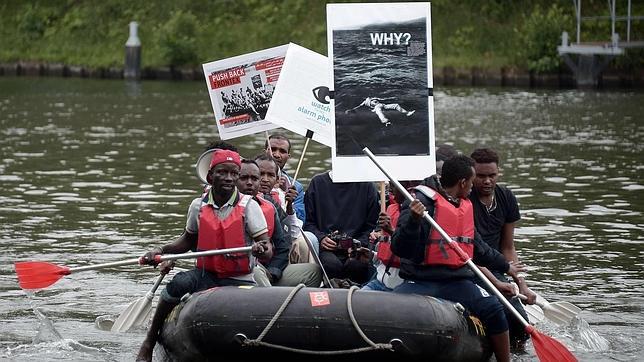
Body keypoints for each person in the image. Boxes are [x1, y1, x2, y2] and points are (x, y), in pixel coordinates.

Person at [135, 149, 272, 362]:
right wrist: (160, 251)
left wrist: (261, 247)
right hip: (205, 274)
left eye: (233, 173)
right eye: (222, 172)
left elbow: (267, 246)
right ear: (211, 176)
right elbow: (187, 241)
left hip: (239, 278)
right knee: (179, 283)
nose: (228, 178)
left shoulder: (249, 207)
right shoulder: (198, 206)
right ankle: (150, 340)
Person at [391, 155, 526, 362]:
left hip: (456, 281)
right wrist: (414, 221)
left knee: (493, 308)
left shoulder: (462, 205)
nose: (473, 188)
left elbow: (478, 247)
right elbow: (400, 247)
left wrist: (506, 267)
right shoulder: (419, 202)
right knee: (392, 310)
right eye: (472, 182)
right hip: (420, 280)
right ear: (463, 182)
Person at [470, 147, 537, 347]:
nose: (487, 181)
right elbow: (471, 255)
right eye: (481, 176)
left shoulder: (506, 197)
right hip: (474, 267)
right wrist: (497, 285)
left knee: (520, 324)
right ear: (471, 175)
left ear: (499, 172)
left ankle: (518, 350)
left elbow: (508, 247)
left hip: (498, 266)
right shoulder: (466, 202)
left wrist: (522, 284)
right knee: (508, 311)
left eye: (492, 175)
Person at [237, 158, 321, 287]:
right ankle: (270, 302)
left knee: (313, 272)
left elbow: (283, 246)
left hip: (267, 268)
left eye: (254, 179)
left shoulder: (270, 205)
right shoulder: (225, 205)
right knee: (256, 271)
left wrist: (273, 271)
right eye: (244, 178)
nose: (250, 183)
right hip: (240, 269)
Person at [304, 170, 379, 285]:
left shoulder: (368, 186)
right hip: (328, 247)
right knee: (331, 265)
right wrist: (321, 238)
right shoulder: (317, 183)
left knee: (356, 265)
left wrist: (357, 244)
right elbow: (308, 223)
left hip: (358, 247)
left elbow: (372, 226)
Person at [362, 180, 420, 291]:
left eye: (394, 185)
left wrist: (391, 230)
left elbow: (409, 249)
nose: (390, 188)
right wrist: (372, 256)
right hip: (379, 281)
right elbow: (386, 253)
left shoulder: (415, 218)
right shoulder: (390, 209)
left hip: (401, 285)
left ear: (407, 186)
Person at [265, 133, 305, 223]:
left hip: (286, 228)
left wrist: (287, 200)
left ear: (288, 157)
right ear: (265, 151)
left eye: (282, 151)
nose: (276, 155)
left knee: (311, 237)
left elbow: (300, 220)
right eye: (273, 149)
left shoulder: (295, 186)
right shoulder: (252, 177)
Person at [345, 97, 415, 126]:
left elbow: (382, 99)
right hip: (377, 107)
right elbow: (359, 106)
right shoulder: (366, 102)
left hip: (383, 105)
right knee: (379, 112)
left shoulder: (372, 99)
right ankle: (386, 122)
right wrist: (351, 110)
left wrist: (391, 98)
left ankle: (407, 113)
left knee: (396, 105)